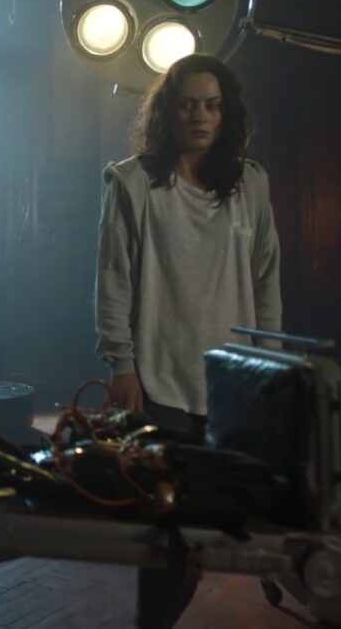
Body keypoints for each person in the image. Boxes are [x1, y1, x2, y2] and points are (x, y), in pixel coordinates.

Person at [94, 54, 282, 628]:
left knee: (215, 516)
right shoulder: (133, 182)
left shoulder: (250, 184)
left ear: (227, 114)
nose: (200, 117)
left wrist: (270, 366)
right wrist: (122, 365)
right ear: (167, 112)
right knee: (165, 527)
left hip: (233, 380)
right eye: (188, 105)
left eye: (213, 105)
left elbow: (266, 279)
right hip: (160, 376)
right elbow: (113, 280)